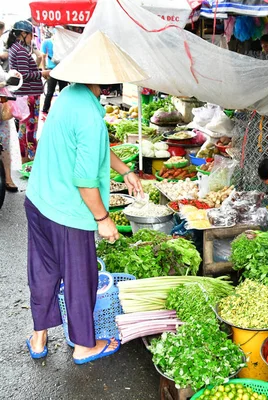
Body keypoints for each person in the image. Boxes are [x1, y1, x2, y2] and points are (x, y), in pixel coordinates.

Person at [24, 31, 148, 364]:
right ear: (107, 81)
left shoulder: (68, 96)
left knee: (44, 270)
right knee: (80, 276)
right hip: (68, 211)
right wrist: (103, 220)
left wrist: (124, 170)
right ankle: (83, 345)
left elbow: (94, 150)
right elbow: (84, 180)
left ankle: (39, 338)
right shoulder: (92, 116)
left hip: (38, 200)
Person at [7, 20, 49, 163]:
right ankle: (31, 159)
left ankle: (25, 159)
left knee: (24, 128)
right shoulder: (20, 51)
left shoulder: (15, 48)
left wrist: (37, 60)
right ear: (23, 34)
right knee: (30, 129)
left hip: (24, 95)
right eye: (31, 35)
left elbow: (24, 71)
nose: (32, 38)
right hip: (29, 95)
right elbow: (24, 75)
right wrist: (42, 73)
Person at [41, 29, 68, 118]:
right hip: (51, 70)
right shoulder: (47, 42)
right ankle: (45, 110)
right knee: (51, 92)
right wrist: (44, 70)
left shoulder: (63, 42)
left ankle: (62, 110)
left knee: (62, 91)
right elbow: (43, 56)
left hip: (61, 69)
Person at [0, 69, 19, 192]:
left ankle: (8, 177)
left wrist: (13, 76)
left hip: (2, 108)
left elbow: (6, 78)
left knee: (4, 144)